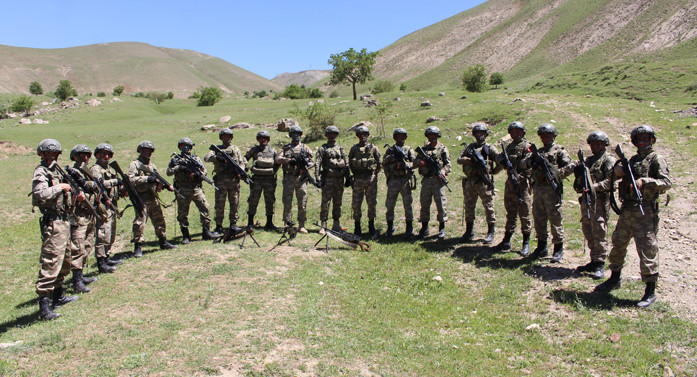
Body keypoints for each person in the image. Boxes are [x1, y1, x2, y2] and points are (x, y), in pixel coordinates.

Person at [595, 125, 672, 308]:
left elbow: (666, 183)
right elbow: (614, 177)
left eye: (646, 138)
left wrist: (644, 181)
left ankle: (650, 291)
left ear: (652, 140)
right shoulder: (633, 160)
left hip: (645, 211)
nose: (642, 142)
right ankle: (614, 278)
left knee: (647, 249)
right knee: (618, 244)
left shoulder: (656, 159)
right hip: (627, 209)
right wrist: (618, 171)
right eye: (639, 139)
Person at [32, 139, 79, 319]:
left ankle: (58, 296)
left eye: (55, 154)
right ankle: (44, 307)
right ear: (42, 154)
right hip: (53, 222)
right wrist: (59, 187)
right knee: (51, 262)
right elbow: (40, 194)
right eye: (49, 153)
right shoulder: (41, 172)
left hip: (65, 220)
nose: (53, 156)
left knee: (65, 260)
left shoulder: (58, 170)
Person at [572, 131, 616, 279]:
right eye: (593, 143)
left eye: (599, 143)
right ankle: (593, 259)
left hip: (600, 200)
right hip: (586, 200)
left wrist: (593, 187)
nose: (596, 146)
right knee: (588, 229)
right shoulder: (588, 161)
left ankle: (600, 263)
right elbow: (578, 186)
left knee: (599, 230)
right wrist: (578, 176)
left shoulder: (608, 160)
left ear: (605, 144)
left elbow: (611, 182)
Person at [527, 124, 574, 263]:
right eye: (543, 135)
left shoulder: (559, 151)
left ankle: (558, 249)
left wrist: (556, 175)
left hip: (552, 189)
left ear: (554, 135)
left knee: (555, 219)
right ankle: (541, 247)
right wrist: (532, 162)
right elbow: (524, 163)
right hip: (538, 189)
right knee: (539, 218)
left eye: (548, 135)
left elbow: (569, 166)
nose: (545, 137)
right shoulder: (538, 152)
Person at [129, 140, 177, 257]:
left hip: (153, 196)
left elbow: (157, 178)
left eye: (149, 151)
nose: (147, 153)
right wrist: (146, 179)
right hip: (141, 197)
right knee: (140, 222)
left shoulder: (152, 165)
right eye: (145, 150)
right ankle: (138, 246)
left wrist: (163, 185)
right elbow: (130, 179)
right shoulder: (134, 164)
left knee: (159, 219)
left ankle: (163, 241)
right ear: (140, 151)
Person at [167, 138, 217, 244]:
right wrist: (178, 168)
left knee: (205, 208)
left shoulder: (196, 158)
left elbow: (204, 171)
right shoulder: (176, 159)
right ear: (180, 147)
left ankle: (206, 232)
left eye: (188, 146)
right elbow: (168, 172)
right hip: (183, 189)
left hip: (196, 188)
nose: (186, 148)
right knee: (182, 214)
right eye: (183, 146)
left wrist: (196, 175)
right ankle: (186, 235)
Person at [457, 123, 500, 244]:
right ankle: (469, 231)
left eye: (482, 133)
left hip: (483, 182)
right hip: (470, 181)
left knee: (488, 206)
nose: (479, 135)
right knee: (469, 206)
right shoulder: (470, 147)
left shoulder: (489, 148)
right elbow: (459, 159)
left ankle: (491, 232)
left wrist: (492, 172)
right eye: (477, 133)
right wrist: (468, 160)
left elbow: (499, 161)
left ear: (486, 134)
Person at [495, 121, 533, 255]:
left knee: (524, 213)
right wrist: (501, 161)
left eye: (518, 131)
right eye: (513, 131)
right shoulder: (508, 146)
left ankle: (526, 243)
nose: (515, 133)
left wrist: (519, 178)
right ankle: (507, 240)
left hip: (522, 185)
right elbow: (498, 157)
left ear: (523, 132)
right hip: (509, 184)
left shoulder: (527, 147)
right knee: (510, 212)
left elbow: (530, 166)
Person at [68, 144, 99, 293]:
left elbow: (93, 186)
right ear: (74, 156)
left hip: (89, 212)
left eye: (87, 155)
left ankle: (81, 276)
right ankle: (76, 280)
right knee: (78, 247)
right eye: (81, 155)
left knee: (87, 243)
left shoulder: (86, 172)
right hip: (78, 215)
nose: (85, 158)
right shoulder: (72, 172)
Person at [204, 128, 247, 233]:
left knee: (234, 202)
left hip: (233, 180)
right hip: (221, 180)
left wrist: (241, 172)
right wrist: (216, 157)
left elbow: (241, 162)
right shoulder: (215, 149)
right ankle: (219, 226)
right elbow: (206, 158)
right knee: (219, 204)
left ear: (231, 137)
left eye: (228, 136)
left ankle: (233, 224)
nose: (226, 138)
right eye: (224, 136)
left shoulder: (235, 149)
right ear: (221, 138)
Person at [276, 126, 315, 233]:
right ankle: (287, 224)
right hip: (289, 177)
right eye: (293, 134)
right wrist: (288, 160)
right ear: (290, 135)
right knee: (287, 202)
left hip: (301, 179)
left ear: (301, 135)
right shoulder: (285, 148)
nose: (296, 136)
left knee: (302, 203)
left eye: (298, 133)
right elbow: (277, 159)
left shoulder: (305, 148)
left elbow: (312, 161)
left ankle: (301, 225)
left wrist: (306, 168)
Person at [414, 126, 451, 240]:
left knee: (441, 204)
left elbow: (448, 164)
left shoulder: (442, 148)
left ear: (437, 135)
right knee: (424, 204)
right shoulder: (424, 149)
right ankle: (424, 228)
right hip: (426, 180)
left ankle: (442, 228)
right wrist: (420, 162)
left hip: (437, 180)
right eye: (430, 135)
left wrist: (443, 172)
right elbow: (414, 161)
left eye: (434, 135)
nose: (432, 137)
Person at [90, 143, 121, 274]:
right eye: (102, 153)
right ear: (97, 155)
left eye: (108, 154)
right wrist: (116, 182)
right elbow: (99, 184)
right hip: (103, 205)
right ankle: (101, 262)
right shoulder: (95, 169)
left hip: (112, 204)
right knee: (103, 233)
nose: (106, 156)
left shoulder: (109, 169)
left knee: (111, 232)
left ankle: (107, 256)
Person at [348, 125, 381, 238]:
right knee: (356, 204)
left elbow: (379, 162)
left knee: (371, 203)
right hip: (357, 179)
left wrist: (374, 175)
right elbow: (350, 163)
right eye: (360, 135)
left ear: (367, 135)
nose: (362, 137)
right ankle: (357, 228)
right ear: (357, 136)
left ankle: (371, 226)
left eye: (365, 134)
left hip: (370, 179)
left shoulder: (373, 148)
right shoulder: (354, 149)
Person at [382, 128, 416, 238]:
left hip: (405, 180)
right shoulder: (390, 150)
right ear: (395, 137)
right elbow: (384, 163)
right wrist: (392, 161)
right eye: (398, 136)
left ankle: (409, 227)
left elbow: (414, 163)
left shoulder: (408, 150)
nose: (400, 138)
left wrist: (406, 165)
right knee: (390, 204)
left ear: (405, 137)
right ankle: (390, 226)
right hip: (393, 180)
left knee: (407, 204)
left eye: (402, 136)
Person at [315, 126, 349, 233]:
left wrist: (348, 178)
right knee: (325, 202)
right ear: (326, 135)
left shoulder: (341, 148)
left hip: (339, 179)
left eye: (334, 134)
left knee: (338, 202)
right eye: (329, 134)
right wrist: (317, 178)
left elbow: (346, 163)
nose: (332, 136)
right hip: (327, 179)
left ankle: (336, 224)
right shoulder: (323, 148)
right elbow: (317, 163)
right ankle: (323, 225)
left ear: (336, 135)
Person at [245, 130, 279, 229]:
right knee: (253, 200)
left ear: (268, 139)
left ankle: (269, 223)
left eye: (265, 138)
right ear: (258, 139)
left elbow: (278, 162)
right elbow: (244, 159)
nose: (263, 140)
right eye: (261, 138)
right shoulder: (254, 150)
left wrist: (273, 171)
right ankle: (250, 222)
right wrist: (247, 168)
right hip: (256, 180)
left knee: (270, 200)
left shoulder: (273, 150)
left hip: (269, 180)